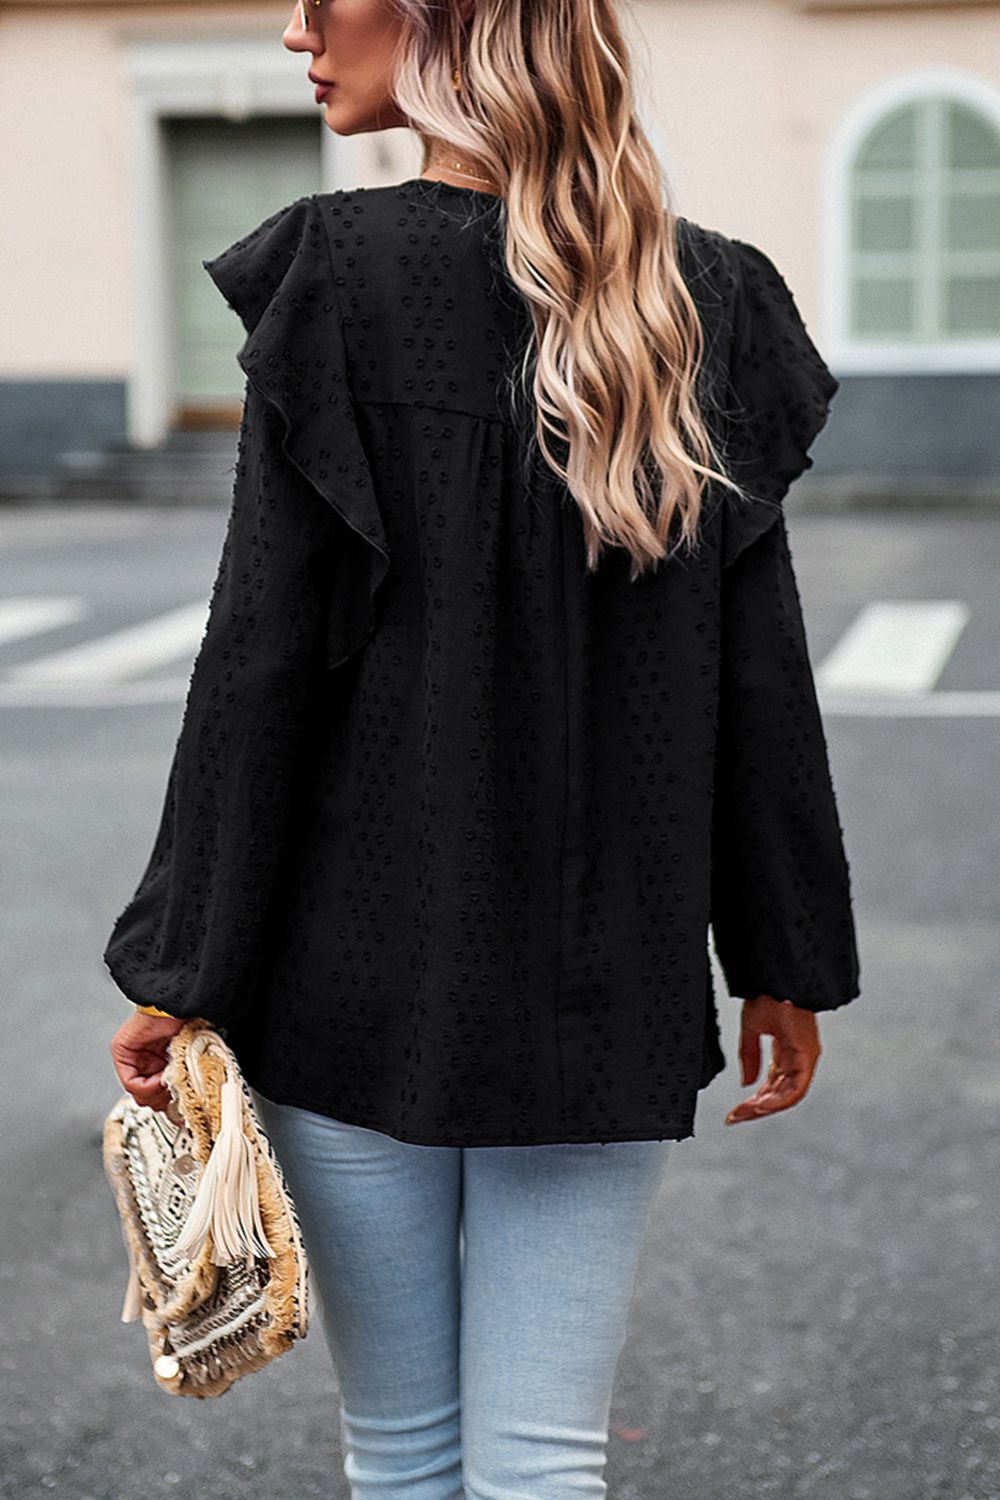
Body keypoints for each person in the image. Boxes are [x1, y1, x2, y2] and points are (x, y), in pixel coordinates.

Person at [107, 1, 861, 1495]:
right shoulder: (706, 297)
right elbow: (757, 677)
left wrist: (181, 964)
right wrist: (780, 954)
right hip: (607, 971)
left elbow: (261, 661)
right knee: (543, 1455)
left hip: (349, 969)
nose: (296, 29)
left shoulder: (336, 273)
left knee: (403, 1450)